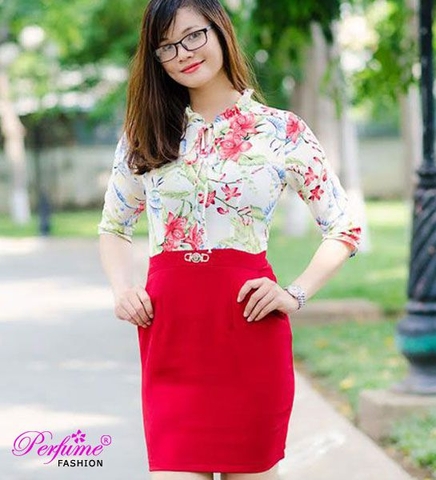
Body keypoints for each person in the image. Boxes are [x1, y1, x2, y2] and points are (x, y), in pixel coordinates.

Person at [97, 0, 362, 479]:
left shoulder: (281, 130)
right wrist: (122, 289)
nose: (182, 53)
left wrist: (295, 293)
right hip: (172, 340)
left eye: (193, 35)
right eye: (166, 46)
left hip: (249, 335)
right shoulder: (146, 132)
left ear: (220, 30)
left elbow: (343, 225)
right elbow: (114, 227)